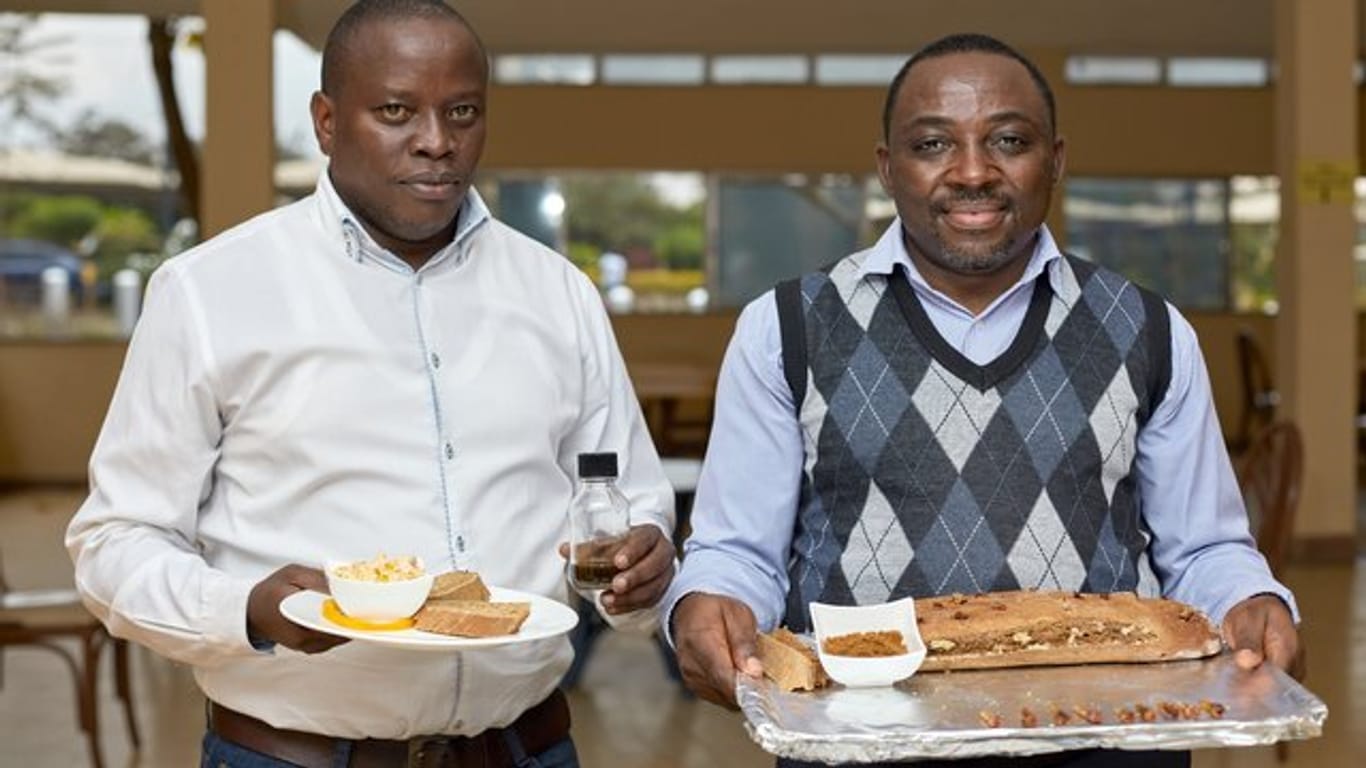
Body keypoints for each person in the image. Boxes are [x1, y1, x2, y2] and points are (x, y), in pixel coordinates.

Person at [664, 33, 1303, 768]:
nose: (973, 171)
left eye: (1008, 140)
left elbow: (1206, 547)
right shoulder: (787, 329)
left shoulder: (1147, 330)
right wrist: (708, 601)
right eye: (933, 144)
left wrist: (1253, 600)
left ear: (1055, 161)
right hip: (861, 740)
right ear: (888, 168)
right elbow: (739, 551)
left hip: (1105, 739)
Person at [66, 2, 675, 766]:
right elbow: (115, 542)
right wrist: (246, 610)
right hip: (291, 755)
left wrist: (642, 565)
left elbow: (629, 498)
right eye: (395, 111)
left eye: (463, 112)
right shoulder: (208, 291)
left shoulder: (558, 294)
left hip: (525, 750)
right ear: (326, 122)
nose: (435, 141)